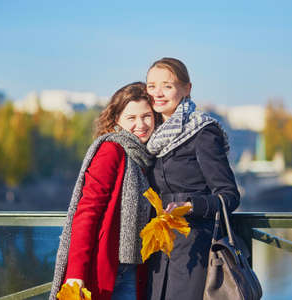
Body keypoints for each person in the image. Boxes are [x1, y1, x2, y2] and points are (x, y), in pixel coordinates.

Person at [49, 82, 158, 300]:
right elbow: (87, 212)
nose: (141, 124)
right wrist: (75, 275)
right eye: (131, 118)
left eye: (146, 116)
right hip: (109, 272)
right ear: (116, 120)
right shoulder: (112, 150)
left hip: (136, 270)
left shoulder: (147, 156)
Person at [144, 58, 240, 300]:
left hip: (194, 245)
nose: (158, 93)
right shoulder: (149, 135)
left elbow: (229, 196)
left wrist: (191, 206)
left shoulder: (202, 132)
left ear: (187, 89)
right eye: (151, 86)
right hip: (157, 246)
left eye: (167, 85)